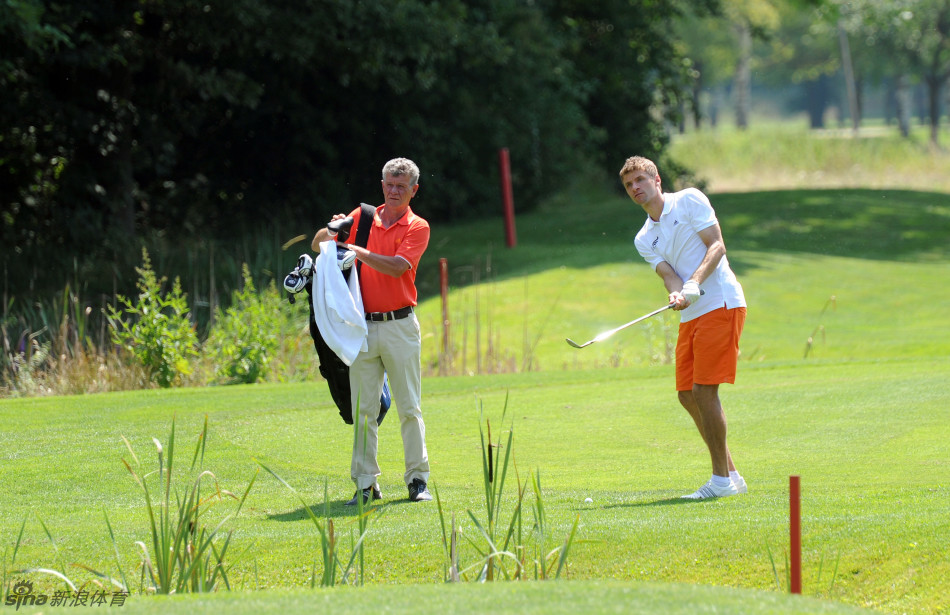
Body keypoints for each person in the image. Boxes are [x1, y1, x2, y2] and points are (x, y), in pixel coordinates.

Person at [619, 155, 748, 500]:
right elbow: (668, 275)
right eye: (629, 185)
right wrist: (678, 292)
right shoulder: (644, 238)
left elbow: (717, 245)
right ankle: (731, 475)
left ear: (656, 180)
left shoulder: (689, 199)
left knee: (704, 391)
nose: (635, 188)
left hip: (721, 302)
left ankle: (720, 480)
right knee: (687, 394)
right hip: (692, 314)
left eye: (640, 180)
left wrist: (694, 283)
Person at [311, 157, 432, 505]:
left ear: (413, 190)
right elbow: (318, 244)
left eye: (401, 186)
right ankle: (365, 484)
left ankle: (417, 481)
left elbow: (397, 268)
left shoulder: (417, 226)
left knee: (409, 407)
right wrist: (332, 230)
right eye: (389, 184)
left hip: (400, 325)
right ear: (382, 185)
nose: (394, 191)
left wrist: (356, 251)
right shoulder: (363, 217)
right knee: (364, 410)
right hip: (362, 326)